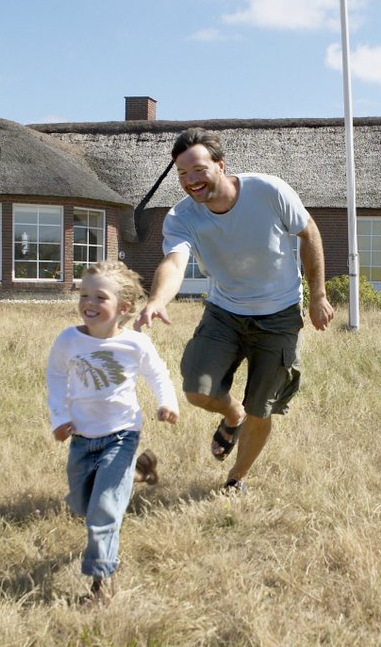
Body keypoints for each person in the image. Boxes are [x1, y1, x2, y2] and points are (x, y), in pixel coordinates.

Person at [135, 126, 334, 492]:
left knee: (263, 408)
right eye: (182, 174)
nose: (190, 181)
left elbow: (310, 233)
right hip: (225, 310)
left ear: (221, 165)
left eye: (198, 170)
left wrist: (318, 294)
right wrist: (157, 300)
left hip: (279, 314)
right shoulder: (182, 217)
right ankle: (232, 414)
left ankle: (235, 478)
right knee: (197, 388)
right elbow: (175, 263)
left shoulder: (268, 190)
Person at [47, 261, 179, 603]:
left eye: (99, 297)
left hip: (122, 435)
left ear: (123, 308)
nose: (88, 302)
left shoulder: (135, 344)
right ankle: (137, 472)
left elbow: (158, 375)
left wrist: (168, 403)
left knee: (103, 511)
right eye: (84, 294)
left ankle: (101, 584)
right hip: (81, 437)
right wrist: (60, 417)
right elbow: (56, 378)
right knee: (80, 504)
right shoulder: (69, 340)